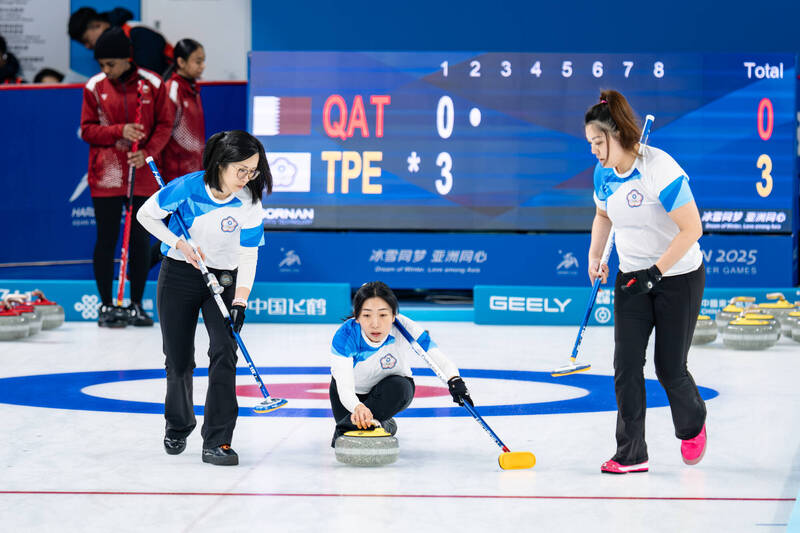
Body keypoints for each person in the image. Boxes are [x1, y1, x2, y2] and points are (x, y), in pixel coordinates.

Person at [584, 90, 707, 474]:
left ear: (618, 134)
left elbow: (692, 229)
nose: (595, 151)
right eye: (590, 144)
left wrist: (657, 272)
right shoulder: (604, 173)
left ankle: (692, 424)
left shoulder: (660, 168)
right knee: (625, 367)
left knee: (669, 368)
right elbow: (603, 215)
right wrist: (595, 255)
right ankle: (631, 453)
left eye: (599, 142)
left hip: (678, 276)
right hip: (632, 278)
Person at [136, 130, 272, 466]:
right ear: (220, 164)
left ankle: (218, 440)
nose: (247, 178)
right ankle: (178, 424)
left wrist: (240, 300)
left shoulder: (249, 202)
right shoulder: (187, 187)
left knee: (225, 351)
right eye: (241, 170)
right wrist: (179, 243)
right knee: (178, 359)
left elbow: (249, 254)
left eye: (252, 170)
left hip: (224, 280)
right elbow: (145, 215)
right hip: (180, 275)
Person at [79, 27, 173, 328]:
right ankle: (106, 304)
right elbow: (87, 130)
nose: (105, 70)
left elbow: (165, 125)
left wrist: (147, 151)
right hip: (107, 175)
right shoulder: (95, 86)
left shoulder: (153, 83)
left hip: (141, 173)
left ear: (126, 59)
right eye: (102, 65)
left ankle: (135, 304)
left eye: (110, 64)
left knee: (140, 241)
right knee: (106, 240)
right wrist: (118, 130)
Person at [329, 281, 473, 447]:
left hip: (389, 391)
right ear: (357, 316)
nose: (375, 324)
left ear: (393, 314)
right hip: (351, 395)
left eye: (383, 315)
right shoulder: (345, 336)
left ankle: (360, 424)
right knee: (355, 427)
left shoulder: (406, 328)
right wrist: (357, 407)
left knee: (398, 389)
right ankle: (384, 424)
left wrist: (455, 380)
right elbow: (345, 388)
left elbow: (438, 357)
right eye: (367, 315)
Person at [68, 6, 173, 76]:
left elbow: (152, 76)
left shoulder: (136, 32)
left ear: (97, 25)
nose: (87, 46)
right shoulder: (110, 50)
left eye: (86, 40)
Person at [161, 39, 206, 181]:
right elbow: (162, 133)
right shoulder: (172, 90)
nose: (203, 66)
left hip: (194, 173)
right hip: (175, 177)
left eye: (203, 61)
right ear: (181, 62)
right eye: (198, 61)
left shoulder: (193, 90)